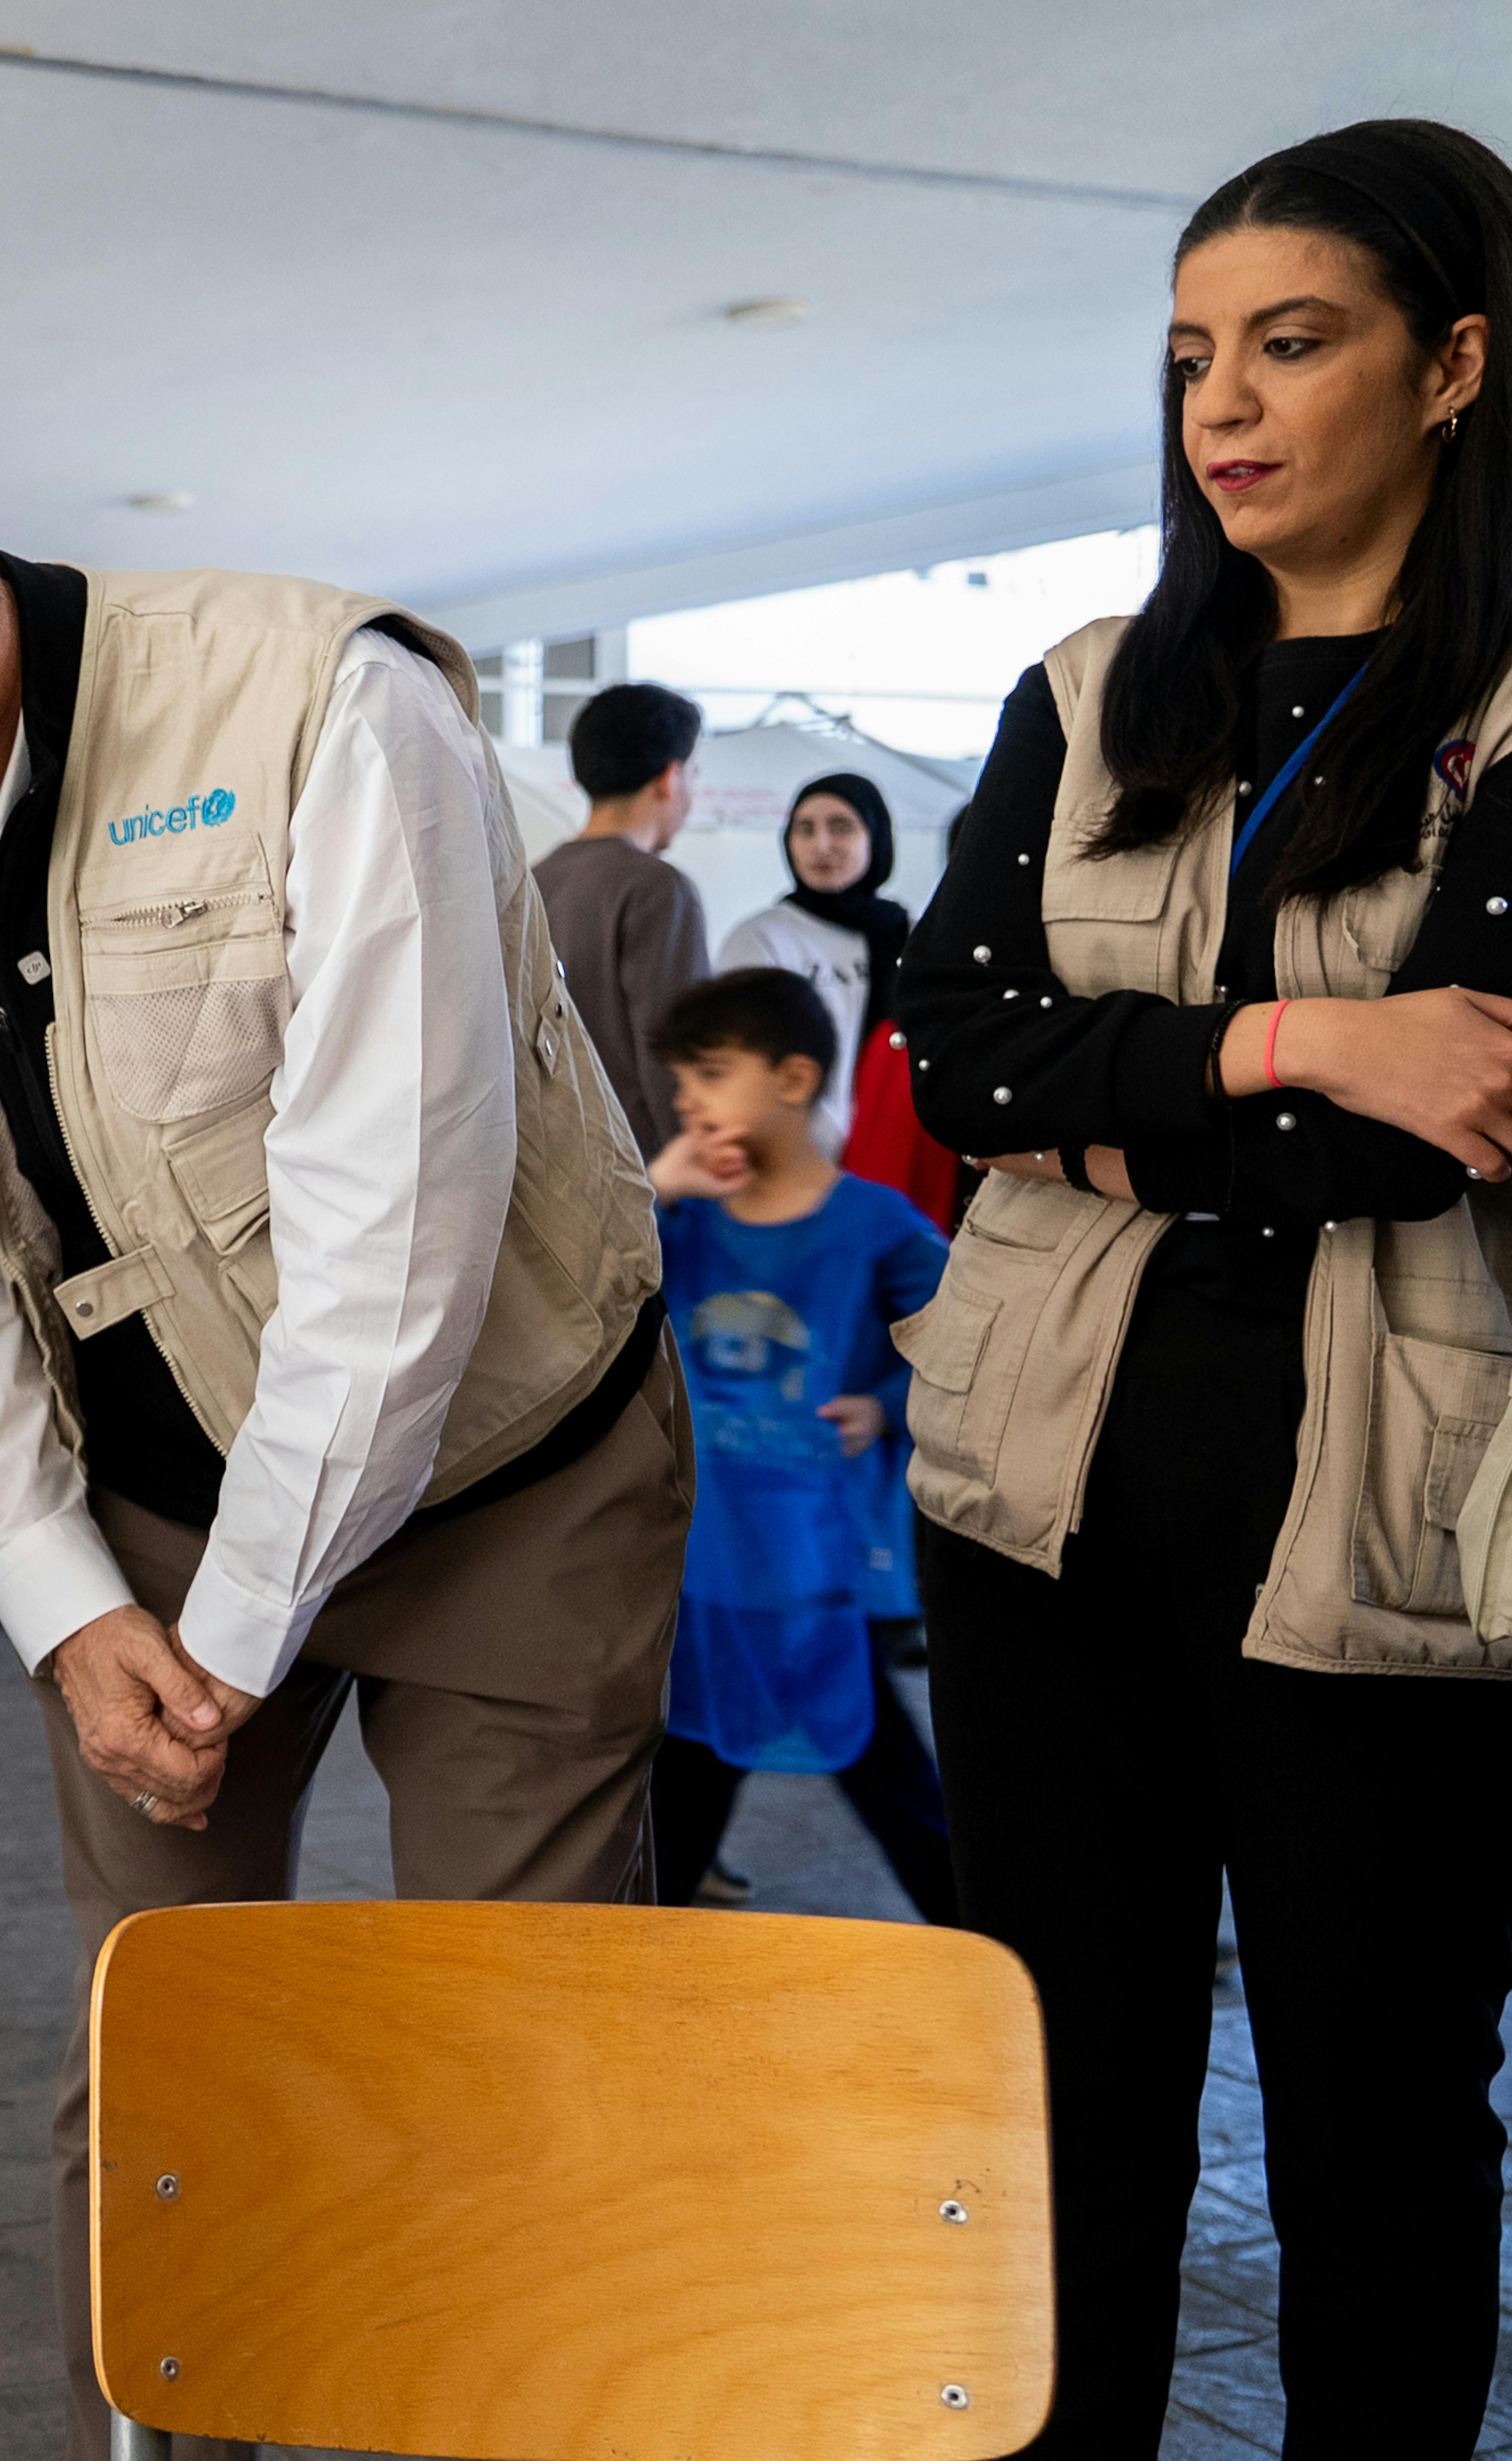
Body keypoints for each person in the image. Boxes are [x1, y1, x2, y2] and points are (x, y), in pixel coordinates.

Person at [0, 416, 687, 2460]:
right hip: (152, 1499)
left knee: (521, 2052)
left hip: (512, 1462)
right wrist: (63, 1604)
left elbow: (398, 1245)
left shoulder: (331, 719)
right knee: (160, 2057)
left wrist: (238, 1635)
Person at [899, 119, 1512, 2455]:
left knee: (1374, 2131)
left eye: (1295, 345)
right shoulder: (1096, 692)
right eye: (1195, 355)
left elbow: (1465, 1109)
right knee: (1050, 2112)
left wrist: (1123, 1104)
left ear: (1461, 365)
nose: (1226, 406)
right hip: (1038, 1503)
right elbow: (954, 1057)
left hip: (1403, 1526)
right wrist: (1304, 1042)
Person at [640, 969, 954, 1924]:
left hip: (822, 1571)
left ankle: (1002, 1974)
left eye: (712, 1074)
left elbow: (970, 1334)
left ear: (793, 1078)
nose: (689, 1100)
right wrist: (653, 1188)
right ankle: (615, 1972)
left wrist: (888, 1403)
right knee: (688, 1779)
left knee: (892, 1789)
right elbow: (599, 1297)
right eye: (683, 1079)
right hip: (706, 1570)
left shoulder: (872, 1226)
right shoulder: (683, 1222)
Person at [533, 681, 710, 1158]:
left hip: (542, 1162)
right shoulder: (658, 889)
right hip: (637, 1171)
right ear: (669, 778)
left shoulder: (530, 882)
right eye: (694, 773)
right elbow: (674, 1053)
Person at [714, 771, 910, 1153]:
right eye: (805, 829)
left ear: (877, 838)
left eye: (841, 827)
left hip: (894, 1151)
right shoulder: (760, 939)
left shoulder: (909, 935)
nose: (821, 845)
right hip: (793, 1157)